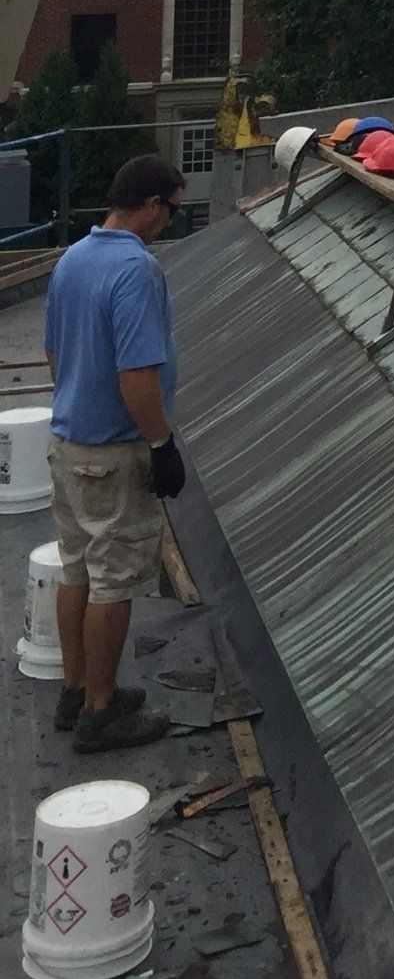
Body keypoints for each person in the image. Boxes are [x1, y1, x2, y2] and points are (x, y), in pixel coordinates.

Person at [42, 152, 187, 754]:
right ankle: (101, 714)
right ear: (151, 205)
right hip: (112, 453)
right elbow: (136, 375)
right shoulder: (136, 270)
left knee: (76, 569)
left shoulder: (73, 258)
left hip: (68, 443)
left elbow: (55, 354)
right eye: (171, 211)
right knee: (114, 581)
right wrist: (161, 444)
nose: (170, 224)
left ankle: (76, 691)